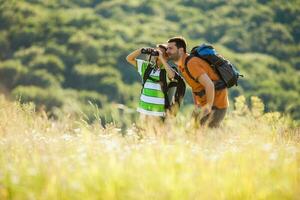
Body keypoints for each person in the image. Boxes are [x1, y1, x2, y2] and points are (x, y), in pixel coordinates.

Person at [166, 36, 228, 128]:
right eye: (167, 48)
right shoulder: (182, 66)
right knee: (193, 132)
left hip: (216, 105)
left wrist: (208, 106)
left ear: (181, 50)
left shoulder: (192, 63)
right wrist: (197, 105)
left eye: (171, 48)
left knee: (204, 136)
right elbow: (195, 87)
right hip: (203, 105)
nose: (167, 51)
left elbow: (209, 85)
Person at [126, 44, 183, 120]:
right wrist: (141, 50)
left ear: (166, 56)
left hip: (159, 112)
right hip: (144, 109)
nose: (158, 53)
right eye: (157, 51)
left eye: (161, 52)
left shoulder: (167, 70)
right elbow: (129, 58)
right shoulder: (146, 67)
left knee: (156, 132)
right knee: (142, 131)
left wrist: (162, 58)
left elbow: (172, 76)